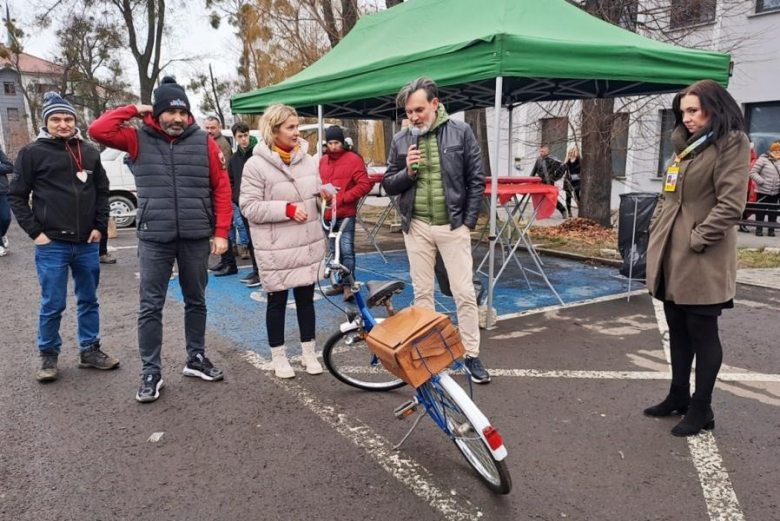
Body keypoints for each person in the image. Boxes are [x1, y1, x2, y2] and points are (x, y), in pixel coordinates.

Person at [89, 76, 232, 403]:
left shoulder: (204, 141)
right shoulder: (137, 138)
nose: (178, 118)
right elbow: (98, 130)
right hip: (155, 237)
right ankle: (151, 371)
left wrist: (222, 232)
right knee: (150, 306)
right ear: (157, 113)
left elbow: (222, 188)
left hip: (195, 235)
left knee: (196, 300)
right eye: (170, 112)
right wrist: (135, 108)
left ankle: (196, 358)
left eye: (183, 112)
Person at [645, 79, 750, 437]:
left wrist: (699, 239)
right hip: (670, 252)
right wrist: (656, 228)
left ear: (714, 108)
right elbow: (669, 196)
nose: (687, 118)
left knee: (702, 332)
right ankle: (678, 395)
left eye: (694, 110)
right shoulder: (685, 147)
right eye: (683, 112)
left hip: (702, 255)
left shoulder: (731, 142)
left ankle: (702, 407)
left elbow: (731, 204)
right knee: (676, 326)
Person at [382, 77, 491, 384]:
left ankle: (471, 354)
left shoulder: (461, 132)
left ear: (435, 104)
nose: (414, 117)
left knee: (464, 292)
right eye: (409, 111)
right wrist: (407, 171)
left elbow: (476, 179)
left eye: (419, 110)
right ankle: (430, 356)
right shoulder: (401, 140)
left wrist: (467, 222)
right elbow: (389, 184)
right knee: (423, 293)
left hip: (452, 225)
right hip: (416, 226)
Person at [8, 92, 120, 381]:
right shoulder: (32, 153)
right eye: (56, 119)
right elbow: (16, 196)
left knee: (88, 300)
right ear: (46, 122)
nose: (63, 124)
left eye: (68, 119)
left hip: (86, 244)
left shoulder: (90, 152)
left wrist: (99, 227)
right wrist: (36, 233)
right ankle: (48, 356)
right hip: (52, 244)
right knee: (53, 303)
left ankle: (90, 350)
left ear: (75, 121)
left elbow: (102, 192)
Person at [239, 104, 327, 379]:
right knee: (276, 302)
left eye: (297, 126)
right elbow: (249, 207)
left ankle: (309, 351)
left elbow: (315, 197)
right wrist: (286, 209)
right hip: (275, 247)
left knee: (306, 300)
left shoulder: (309, 160)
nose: (296, 132)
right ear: (273, 130)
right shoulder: (255, 165)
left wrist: (325, 198)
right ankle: (278, 355)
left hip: (306, 242)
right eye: (290, 127)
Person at [319, 125, 372, 300]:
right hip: (328, 213)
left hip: (345, 212)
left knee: (347, 249)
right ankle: (341, 283)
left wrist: (343, 197)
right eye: (330, 143)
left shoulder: (353, 159)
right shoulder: (323, 161)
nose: (333, 146)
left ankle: (349, 285)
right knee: (335, 251)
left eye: (336, 143)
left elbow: (364, 184)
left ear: (342, 142)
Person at [203, 115, 239, 276]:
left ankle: (229, 263)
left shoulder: (221, 145)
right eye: (207, 128)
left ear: (219, 128)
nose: (209, 131)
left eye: (213, 128)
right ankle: (225, 261)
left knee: (223, 230)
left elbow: (219, 171)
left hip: (219, 192)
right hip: (213, 192)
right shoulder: (210, 142)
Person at [229, 122, 261, 288]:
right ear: (235, 138)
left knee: (260, 240)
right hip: (243, 204)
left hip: (259, 205)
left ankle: (262, 272)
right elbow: (231, 180)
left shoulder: (258, 154)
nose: (244, 139)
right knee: (250, 240)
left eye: (246, 135)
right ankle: (256, 270)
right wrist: (236, 198)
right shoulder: (234, 159)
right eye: (240, 136)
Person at [748, 141, 780, 237]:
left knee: (773, 212)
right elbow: (752, 172)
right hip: (763, 191)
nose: (777, 151)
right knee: (760, 211)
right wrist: (761, 181)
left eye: (779, 150)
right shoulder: (763, 159)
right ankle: (759, 229)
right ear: (771, 150)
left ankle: (771, 230)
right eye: (775, 150)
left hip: (776, 192)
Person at [531, 145, 568, 219]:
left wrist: (556, 177)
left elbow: (563, 166)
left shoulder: (552, 159)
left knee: (551, 198)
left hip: (549, 183)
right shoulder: (538, 160)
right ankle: (544, 213)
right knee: (542, 198)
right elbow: (533, 171)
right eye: (540, 151)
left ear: (547, 152)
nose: (541, 152)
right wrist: (530, 180)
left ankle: (563, 210)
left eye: (542, 151)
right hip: (540, 183)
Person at [0, 144, 13, 257]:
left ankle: (2, 234)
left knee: (6, 217)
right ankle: (0, 245)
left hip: (2, 191)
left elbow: (9, 167)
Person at [562, 147, 581, 218]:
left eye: (572, 153)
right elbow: (562, 171)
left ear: (575, 153)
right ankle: (569, 211)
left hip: (577, 181)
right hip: (568, 181)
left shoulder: (579, 162)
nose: (570, 154)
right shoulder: (567, 162)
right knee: (568, 197)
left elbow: (582, 171)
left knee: (577, 196)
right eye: (569, 153)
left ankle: (580, 210)